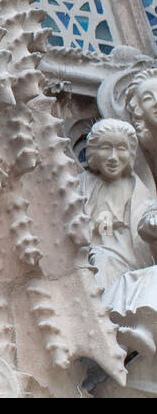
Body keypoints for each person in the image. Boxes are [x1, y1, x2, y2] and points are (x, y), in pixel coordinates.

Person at [79, 118, 157, 355]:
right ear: (92, 152)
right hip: (98, 255)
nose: (113, 157)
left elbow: (146, 226)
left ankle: (138, 330)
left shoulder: (138, 189)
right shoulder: (84, 184)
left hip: (133, 258)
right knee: (102, 265)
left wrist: (152, 224)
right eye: (105, 148)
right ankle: (110, 333)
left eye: (121, 148)